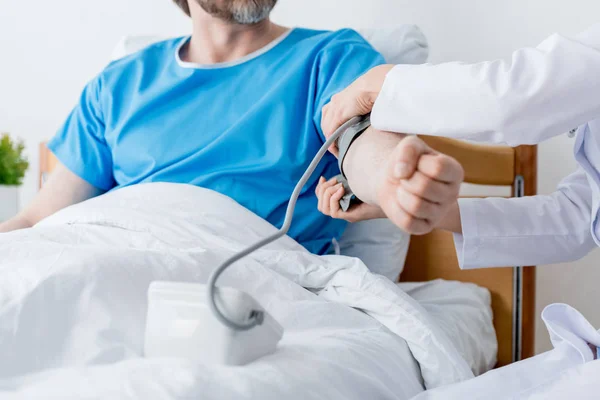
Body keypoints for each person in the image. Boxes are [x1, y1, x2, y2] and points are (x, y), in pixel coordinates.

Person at [0, 0, 458, 256]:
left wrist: (392, 180)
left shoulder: (330, 58)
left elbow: (364, 147)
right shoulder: (118, 84)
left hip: (251, 277)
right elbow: (38, 219)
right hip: (117, 262)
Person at [317, 22, 600, 270]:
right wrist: (439, 213)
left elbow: (513, 101)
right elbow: (580, 221)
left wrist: (377, 85)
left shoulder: (331, 54)